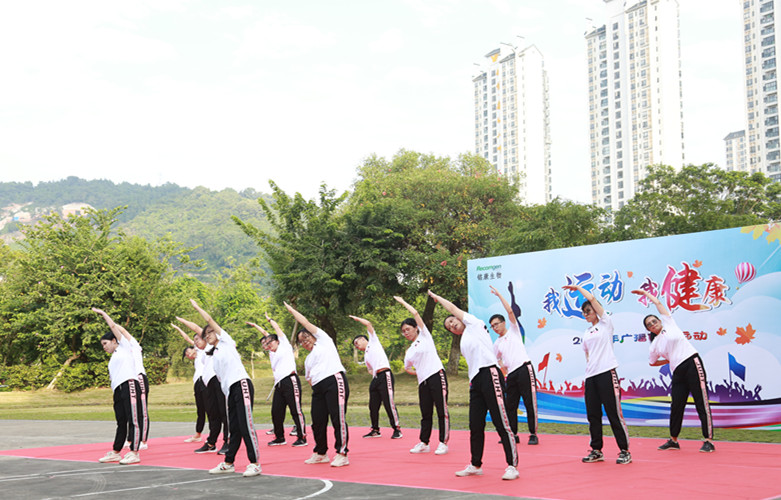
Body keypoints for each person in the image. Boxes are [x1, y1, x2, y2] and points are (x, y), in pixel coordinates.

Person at [428, 290, 519, 481]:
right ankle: (476, 464)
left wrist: (437, 298)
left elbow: (452, 308)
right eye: (449, 327)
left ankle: (512, 466)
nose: (452, 325)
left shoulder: (474, 323)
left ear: (459, 317)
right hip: (476, 380)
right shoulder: (464, 341)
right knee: (475, 425)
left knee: (501, 421)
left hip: (490, 374)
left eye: (452, 321)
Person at [632, 288, 715, 452]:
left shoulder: (669, 323)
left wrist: (645, 294)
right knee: (676, 405)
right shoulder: (654, 345)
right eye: (649, 325)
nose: (653, 324)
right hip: (677, 371)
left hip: (692, 363)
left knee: (701, 401)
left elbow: (658, 303)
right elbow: (652, 362)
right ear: (649, 329)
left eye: (654, 321)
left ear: (660, 321)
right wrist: (669, 359)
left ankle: (708, 440)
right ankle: (673, 440)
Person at [190, 299, 261, 477]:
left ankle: (254, 463)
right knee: (234, 428)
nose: (208, 335)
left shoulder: (226, 342)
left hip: (241, 384)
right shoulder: (214, 355)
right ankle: (229, 462)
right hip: (230, 391)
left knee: (246, 425)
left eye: (210, 332)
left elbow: (209, 320)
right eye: (205, 335)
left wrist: (197, 308)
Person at [563, 284, 631, 465]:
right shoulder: (586, 332)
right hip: (591, 377)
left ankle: (624, 450)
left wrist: (578, 288)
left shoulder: (606, 324)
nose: (586, 314)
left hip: (607, 373)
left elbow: (592, 299)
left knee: (613, 413)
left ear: (596, 310)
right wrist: (590, 371)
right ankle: (596, 450)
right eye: (583, 312)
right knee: (593, 415)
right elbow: (587, 354)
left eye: (588, 311)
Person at [285, 302, 350, 467]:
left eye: (306, 337)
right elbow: (309, 378)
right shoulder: (308, 359)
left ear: (313, 336)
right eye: (301, 341)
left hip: (334, 381)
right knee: (317, 421)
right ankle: (321, 453)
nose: (304, 342)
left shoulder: (324, 341)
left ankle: (342, 453)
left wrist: (292, 311)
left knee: (338, 418)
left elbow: (305, 322)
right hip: (318, 388)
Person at [393, 296, 450, 456]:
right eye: (403, 331)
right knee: (426, 413)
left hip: (437, 376)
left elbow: (416, 313)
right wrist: (419, 373)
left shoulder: (425, 336)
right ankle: (424, 442)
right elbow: (407, 368)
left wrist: (403, 302)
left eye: (408, 329)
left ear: (416, 328)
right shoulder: (409, 351)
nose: (406, 333)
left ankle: (443, 442)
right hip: (423, 382)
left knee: (442, 411)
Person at [92, 308, 144, 465]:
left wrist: (103, 314)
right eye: (102, 345)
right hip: (118, 390)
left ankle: (134, 453)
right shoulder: (113, 358)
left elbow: (114, 327)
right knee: (121, 421)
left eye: (105, 343)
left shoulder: (124, 347)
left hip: (130, 385)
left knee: (133, 419)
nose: (104, 347)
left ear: (114, 341)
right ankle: (116, 452)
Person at [489, 285, 539, 445]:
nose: (495, 328)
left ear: (503, 323)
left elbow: (510, 311)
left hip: (524, 369)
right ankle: (513, 434)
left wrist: (499, 295)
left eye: (497, 324)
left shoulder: (514, 330)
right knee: (510, 405)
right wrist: (503, 367)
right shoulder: (497, 343)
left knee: (530, 402)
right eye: (492, 326)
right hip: (511, 375)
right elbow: (496, 359)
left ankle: (533, 434)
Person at [248, 313, 308, 447]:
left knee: (295, 410)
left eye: (270, 342)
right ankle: (280, 437)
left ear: (278, 341)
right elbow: (265, 335)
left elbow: (276, 330)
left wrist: (269, 319)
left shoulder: (284, 345)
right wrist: (256, 326)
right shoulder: (271, 352)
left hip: (290, 381)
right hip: (279, 384)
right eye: (266, 343)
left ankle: (302, 437)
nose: (268, 344)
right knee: (276, 412)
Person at [176, 316, 230, 455]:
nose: (195, 342)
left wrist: (182, 321)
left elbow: (196, 328)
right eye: (194, 340)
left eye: (198, 339)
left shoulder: (212, 345)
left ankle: (228, 441)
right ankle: (211, 443)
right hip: (208, 385)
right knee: (213, 415)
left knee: (224, 413)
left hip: (217, 381)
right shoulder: (202, 352)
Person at [349, 315, 402, 439]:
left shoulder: (373, 342)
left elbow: (368, 324)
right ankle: (375, 429)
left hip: (385, 375)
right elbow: (369, 369)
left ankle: (397, 429)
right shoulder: (366, 355)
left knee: (388, 403)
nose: (357, 346)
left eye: (357, 343)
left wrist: (357, 319)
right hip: (376, 378)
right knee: (373, 405)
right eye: (355, 346)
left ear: (363, 339)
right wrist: (374, 373)